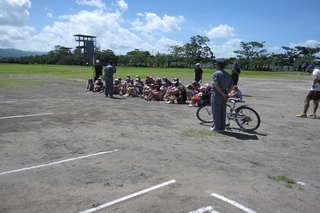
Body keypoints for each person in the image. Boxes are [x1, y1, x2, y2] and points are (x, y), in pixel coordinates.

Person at [210, 59, 233, 132]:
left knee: (216, 111)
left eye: (216, 64)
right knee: (223, 111)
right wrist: (226, 94)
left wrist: (222, 94)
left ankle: (217, 127)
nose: (215, 65)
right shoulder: (228, 74)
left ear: (219, 65)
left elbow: (216, 85)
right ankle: (222, 127)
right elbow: (231, 85)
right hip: (225, 94)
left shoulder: (216, 74)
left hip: (217, 94)